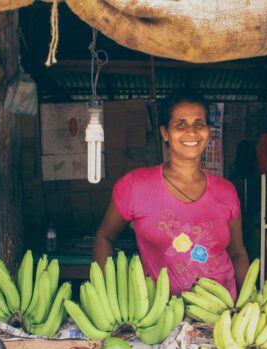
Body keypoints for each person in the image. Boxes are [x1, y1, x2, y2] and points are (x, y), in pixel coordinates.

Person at [93, 90, 249, 298]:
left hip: (222, 312)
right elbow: (104, 237)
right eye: (180, 124)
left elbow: (237, 253)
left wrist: (248, 301)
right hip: (160, 315)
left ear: (208, 132)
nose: (191, 132)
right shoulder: (135, 186)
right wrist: (108, 297)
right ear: (165, 133)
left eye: (199, 124)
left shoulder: (226, 191)